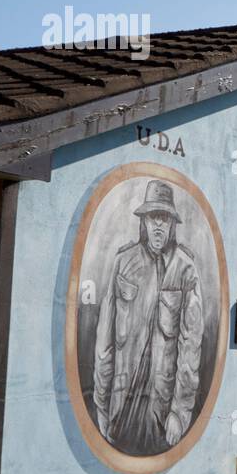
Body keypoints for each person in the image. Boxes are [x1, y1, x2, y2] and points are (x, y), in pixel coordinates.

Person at [93, 180, 204, 455]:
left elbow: (190, 349)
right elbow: (104, 341)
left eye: (164, 218)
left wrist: (179, 413)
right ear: (143, 222)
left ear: (172, 225)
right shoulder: (123, 262)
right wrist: (101, 403)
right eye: (153, 217)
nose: (158, 225)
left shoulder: (185, 268)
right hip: (121, 400)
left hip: (161, 409)